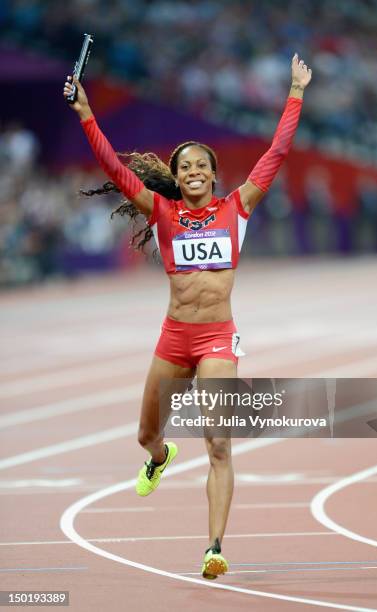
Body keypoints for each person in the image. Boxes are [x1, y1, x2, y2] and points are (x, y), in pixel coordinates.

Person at [63, 52, 312, 579]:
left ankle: (214, 548)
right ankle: (158, 457)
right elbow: (111, 164)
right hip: (173, 339)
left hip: (218, 338)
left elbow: (277, 151)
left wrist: (295, 93)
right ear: (175, 178)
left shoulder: (237, 208)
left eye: (203, 165)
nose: (194, 171)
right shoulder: (162, 212)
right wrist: (86, 112)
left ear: (215, 175)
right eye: (186, 167)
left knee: (219, 442)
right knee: (145, 434)